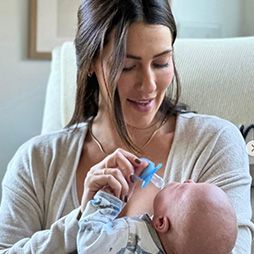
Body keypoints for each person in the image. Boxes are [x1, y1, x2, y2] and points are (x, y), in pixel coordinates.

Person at [0, 0, 252, 253]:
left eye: (161, 63)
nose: (149, 85)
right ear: (89, 63)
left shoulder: (214, 143)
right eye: (127, 66)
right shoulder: (35, 161)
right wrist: (80, 221)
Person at [77, 169, 238, 254]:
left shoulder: (131, 237)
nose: (189, 180)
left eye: (183, 187)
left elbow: (89, 243)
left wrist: (107, 199)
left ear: (161, 222)